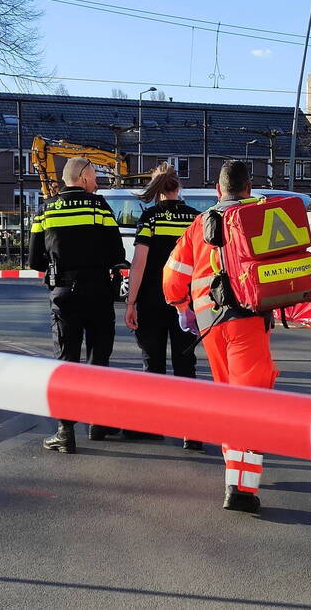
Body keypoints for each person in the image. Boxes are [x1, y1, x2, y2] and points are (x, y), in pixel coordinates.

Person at [163, 160, 279, 514]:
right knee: (252, 401)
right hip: (247, 320)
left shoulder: (200, 223)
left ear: (218, 189)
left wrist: (183, 307)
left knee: (229, 398)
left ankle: (236, 470)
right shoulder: (259, 216)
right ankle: (241, 487)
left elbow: (172, 276)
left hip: (209, 323)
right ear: (250, 188)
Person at [29, 157, 125, 454]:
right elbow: (117, 252)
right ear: (82, 178)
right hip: (97, 292)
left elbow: (34, 260)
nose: (97, 182)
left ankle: (65, 432)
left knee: (66, 363)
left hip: (64, 294)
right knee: (99, 360)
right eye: (95, 176)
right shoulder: (99, 207)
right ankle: (98, 424)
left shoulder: (45, 210)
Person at [124, 163, 201, 449]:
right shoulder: (195, 219)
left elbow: (140, 262)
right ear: (178, 186)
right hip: (186, 303)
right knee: (186, 365)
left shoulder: (151, 218)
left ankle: (153, 426)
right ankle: (191, 432)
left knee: (153, 363)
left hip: (152, 300)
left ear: (157, 190)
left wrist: (130, 302)